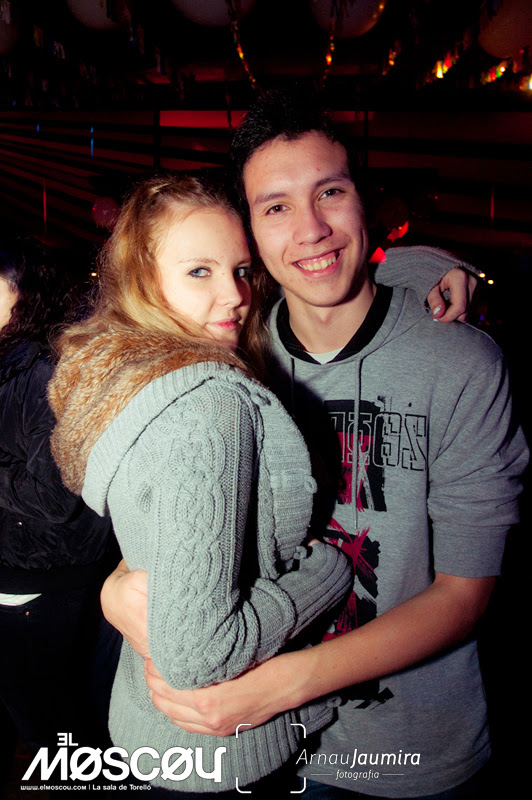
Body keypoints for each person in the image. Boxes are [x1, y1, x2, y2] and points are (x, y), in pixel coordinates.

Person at [103, 93, 528, 800]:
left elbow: (464, 594)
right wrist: (115, 585)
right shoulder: (232, 358)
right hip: (252, 748)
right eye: (275, 207)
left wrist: (279, 686)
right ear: (249, 233)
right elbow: (181, 512)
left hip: (403, 753)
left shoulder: (460, 365)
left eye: (330, 192)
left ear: (365, 201)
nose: (310, 229)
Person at [47, 175, 354, 796]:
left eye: (240, 270)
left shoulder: (128, 373)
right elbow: (199, 655)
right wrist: (328, 574)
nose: (235, 295)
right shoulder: (210, 403)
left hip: (152, 728)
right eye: (199, 272)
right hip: (222, 749)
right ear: (143, 280)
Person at [0, 238, 118, 777]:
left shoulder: (41, 370)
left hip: (40, 575)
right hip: (29, 570)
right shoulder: (12, 362)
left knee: (51, 726)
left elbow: (55, 495)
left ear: (22, 291)